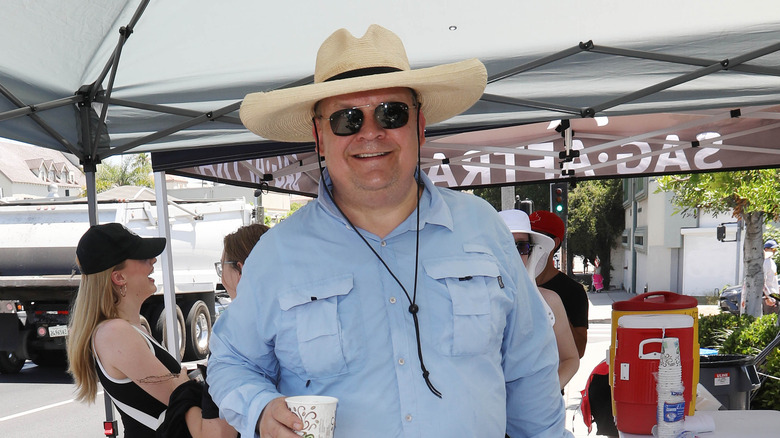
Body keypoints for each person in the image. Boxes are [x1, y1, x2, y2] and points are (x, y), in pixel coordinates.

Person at [207, 25, 570, 438]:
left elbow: (529, 369)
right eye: (347, 119)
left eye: (391, 113)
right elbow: (231, 361)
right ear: (319, 137)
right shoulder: (278, 253)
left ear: (420, 125)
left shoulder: (482, 226)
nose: (371, 132)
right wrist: (259, 409)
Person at [67, 223, 203, 438]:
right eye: (142, 257)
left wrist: (186, 381)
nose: (153, 261)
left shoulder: (128, 328)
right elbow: (181, 399)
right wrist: (188, 382)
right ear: (118, 277)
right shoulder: (115, 333)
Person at [499, 209, 580, 389]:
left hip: (539, 415)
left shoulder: (550, 301)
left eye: (521, 247)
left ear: (531, 251)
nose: (514, 254)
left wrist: (544, 396)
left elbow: (571, 358)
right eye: (505, 244)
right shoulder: (474, 302)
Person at [202, 223, 270, 438]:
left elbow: (217, 433)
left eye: (222, 267)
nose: (222, 277)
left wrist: (183, 401)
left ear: (240, 269)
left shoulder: (232, 334)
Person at [529, 210, 589, 358]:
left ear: (554, 243)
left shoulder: (573, 292)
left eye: (537, 239)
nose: (530, 246)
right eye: (526, 240)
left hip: (553, 375)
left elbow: (579, 350)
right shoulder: (511, 284)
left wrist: (555, 310)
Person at [762, 239, 779, 315]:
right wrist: (767, 297)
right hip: (769, 298)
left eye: (775, 249)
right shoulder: (765, 262)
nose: (774, 251)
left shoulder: (772, 262)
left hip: (774, 297)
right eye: (772, 249)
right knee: (769, 321)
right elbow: (762, 281)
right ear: (766, 249)